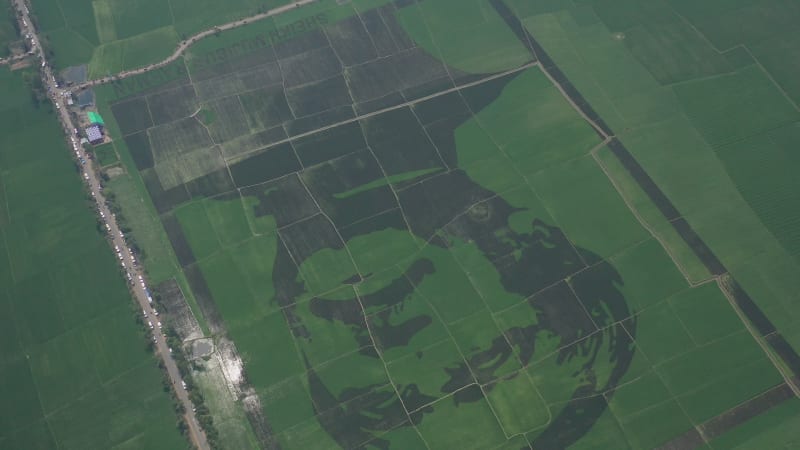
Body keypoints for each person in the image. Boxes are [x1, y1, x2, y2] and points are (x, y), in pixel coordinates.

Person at [246, 72, 636, 449]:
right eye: (489, 356)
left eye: (404, 407)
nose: (397, 360)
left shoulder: (267, 189)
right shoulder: (448, 91)